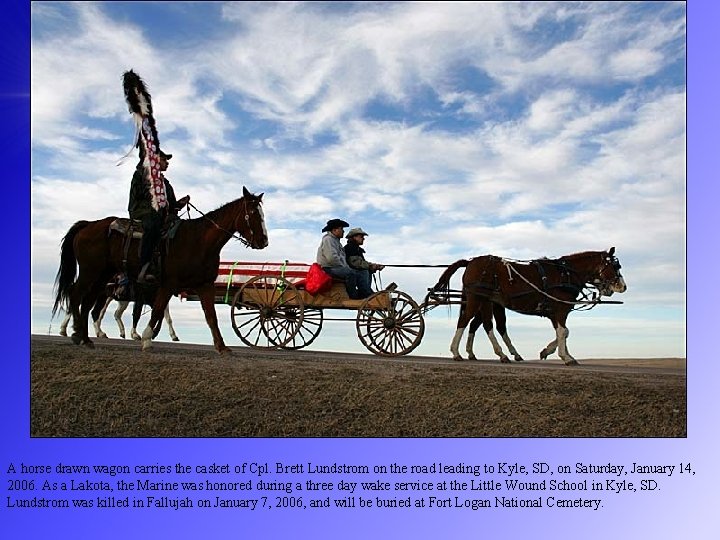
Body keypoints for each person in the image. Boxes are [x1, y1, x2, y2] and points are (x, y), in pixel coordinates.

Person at [128, 150, 190, 283]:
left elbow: (172, 206)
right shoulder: (142, 174)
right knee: (153, 225)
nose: (167, 163)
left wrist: (179, 204)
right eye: (164, 160)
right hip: (142, 211)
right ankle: (145, 266)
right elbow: (139, 195)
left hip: (160, 214)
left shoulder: (165, 183)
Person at [316, 218, 363, 299]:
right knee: (350, 273)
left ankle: (362, 292)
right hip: (327, 269)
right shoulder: (328, 239)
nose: (343, 231)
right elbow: (331, 258)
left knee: (355, 272)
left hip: (333, 267)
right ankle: (353, 297)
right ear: (334, 230)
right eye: (341, 229)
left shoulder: (336, 241)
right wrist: (344, 267)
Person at [344, 227, 385, 299]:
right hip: (350, 273)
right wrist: (370, 266)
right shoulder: (349, 248)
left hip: (353, 272)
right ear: (354, 237)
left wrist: (373, 266)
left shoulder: (357, 249)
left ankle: (366, 291)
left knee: (367, 270)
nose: (363, 238)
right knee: (364, 271)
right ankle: (365, 292)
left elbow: (362, 263)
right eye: (361, 237)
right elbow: (355, 263)